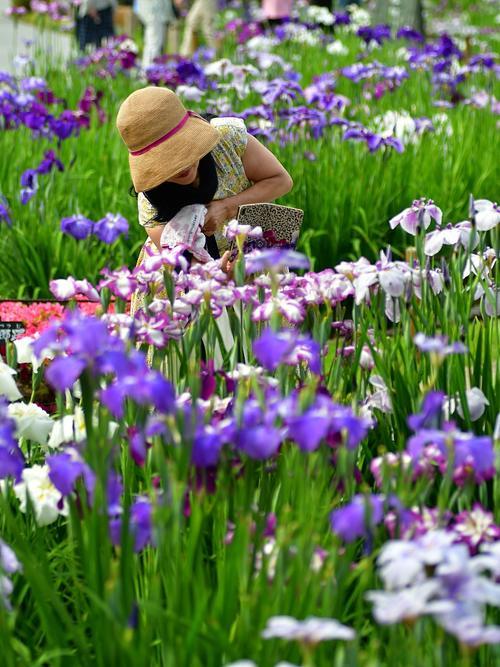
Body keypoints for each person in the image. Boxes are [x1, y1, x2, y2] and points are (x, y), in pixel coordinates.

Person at [116, 86, 293, 316]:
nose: (183, 164)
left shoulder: (226, 139)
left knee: (263, 345)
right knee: (202, 349)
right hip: (189, 283)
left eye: (186, 148)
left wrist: (228, 207)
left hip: (256, 254)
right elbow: (182, 261)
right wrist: (216, 273)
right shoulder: (151, 199)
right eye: (167, 160)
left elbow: (281, 181)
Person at [134, 0, 177, 69]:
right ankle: (150, 72)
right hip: (154, 9)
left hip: (151, 8)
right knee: (154, 43)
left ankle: (148, 71)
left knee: (152, 41)